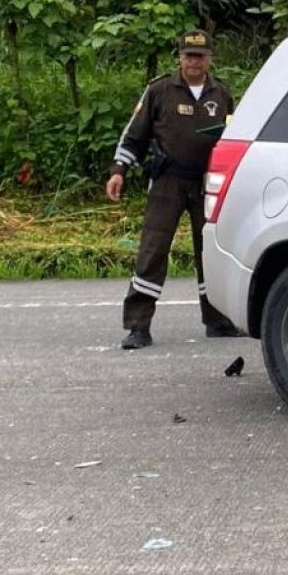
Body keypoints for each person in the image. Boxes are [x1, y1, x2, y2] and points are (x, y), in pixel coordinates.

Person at [105, 29, 242, 349]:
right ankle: (138, 326)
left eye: (200, 56)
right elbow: (134, 135)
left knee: (210, 252)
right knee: (152, 252)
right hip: (167, 181)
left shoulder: (221, 93)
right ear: (179, 57)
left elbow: (233, 138)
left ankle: (217, 319)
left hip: (207, 184)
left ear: (210, 59)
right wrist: (118, 170)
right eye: (188, 55)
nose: (194, 62)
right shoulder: (160, 90)